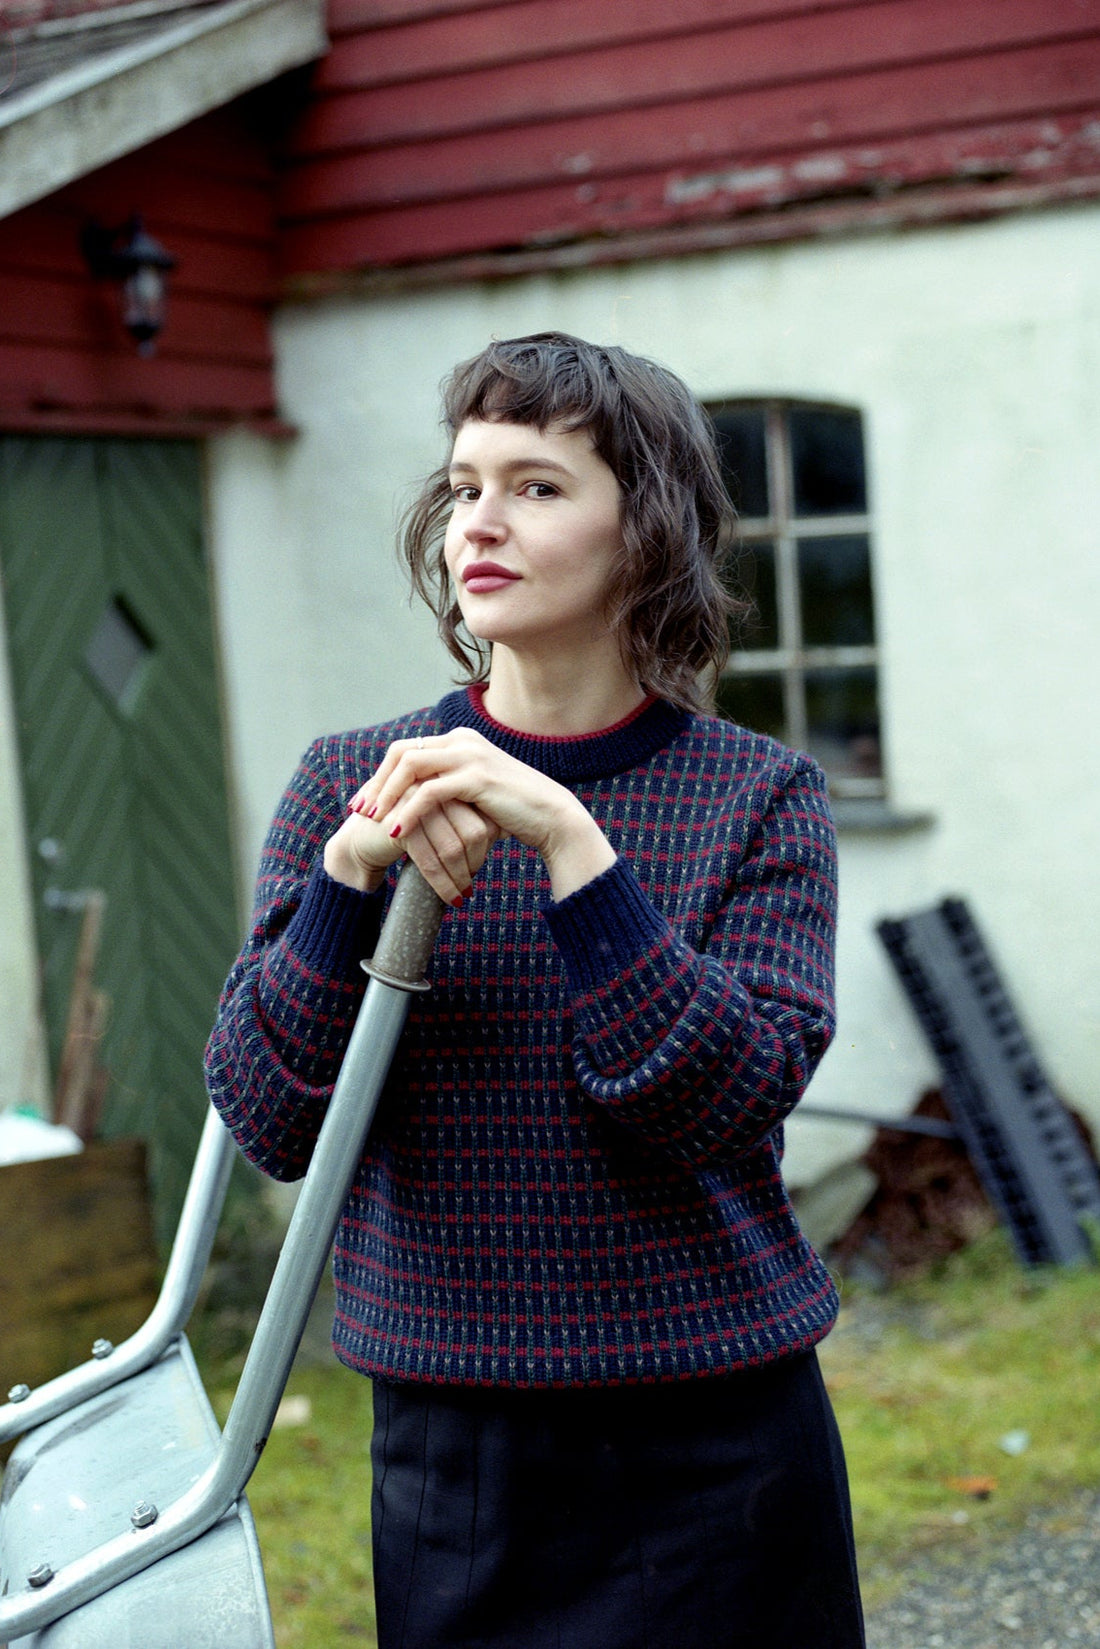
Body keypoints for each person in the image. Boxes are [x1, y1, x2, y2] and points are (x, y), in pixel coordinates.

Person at [205, 332, 865, 1648]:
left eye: (537, 485)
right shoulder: (357, 780)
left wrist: (578, 852)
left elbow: (723, 1101)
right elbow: (269, 1114)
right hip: (461, 1454)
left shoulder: (758, 796)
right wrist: (345, 882)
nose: (479, 523)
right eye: (462, 487)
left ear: (648, 530)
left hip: (721, 1443)